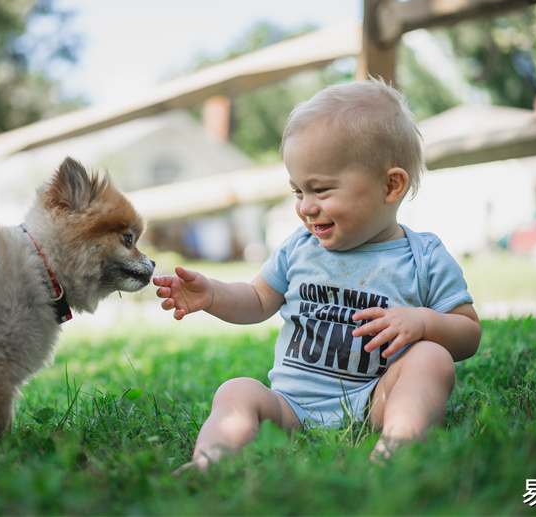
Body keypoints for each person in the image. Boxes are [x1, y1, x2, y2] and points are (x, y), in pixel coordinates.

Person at [153, 77, 481, 472]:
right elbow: (258, 300)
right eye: (298, 192)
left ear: (390, 185)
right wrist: (213, 295)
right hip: (290, 408)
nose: (306, 207)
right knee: (237, 390)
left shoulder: (423, 257)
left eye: (322, 190)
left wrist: (424, 322)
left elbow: (468, 333)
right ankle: (211, 461)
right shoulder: (298, 248)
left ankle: (398, 445)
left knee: (432, 358)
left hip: (375, 402)